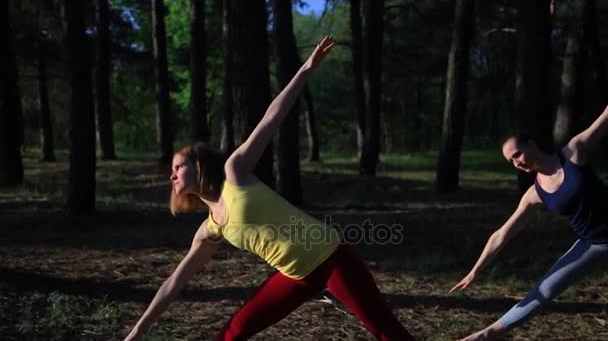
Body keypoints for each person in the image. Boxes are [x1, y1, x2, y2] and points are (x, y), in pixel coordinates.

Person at [125, 36, 414, 341]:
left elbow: (271, 119)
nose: (172, 176)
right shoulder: (209, 229)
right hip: (294, 277)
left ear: (200, 164)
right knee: (233, 332)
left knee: (389, 333)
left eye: (178, 166)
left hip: (331, 259)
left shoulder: (234, 172)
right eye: (172, 171)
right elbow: (174, 282)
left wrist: (306, 69)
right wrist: (137, 331)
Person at [450, 104, 608, 340]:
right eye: (511, 162)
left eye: (517, 155)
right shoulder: (534, 194)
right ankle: (486, 335)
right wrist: (475, 271)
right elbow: (501, 235)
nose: (517, 163)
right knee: (544, 289)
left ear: (532, 145)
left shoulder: (573, 153)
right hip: (593, 243)